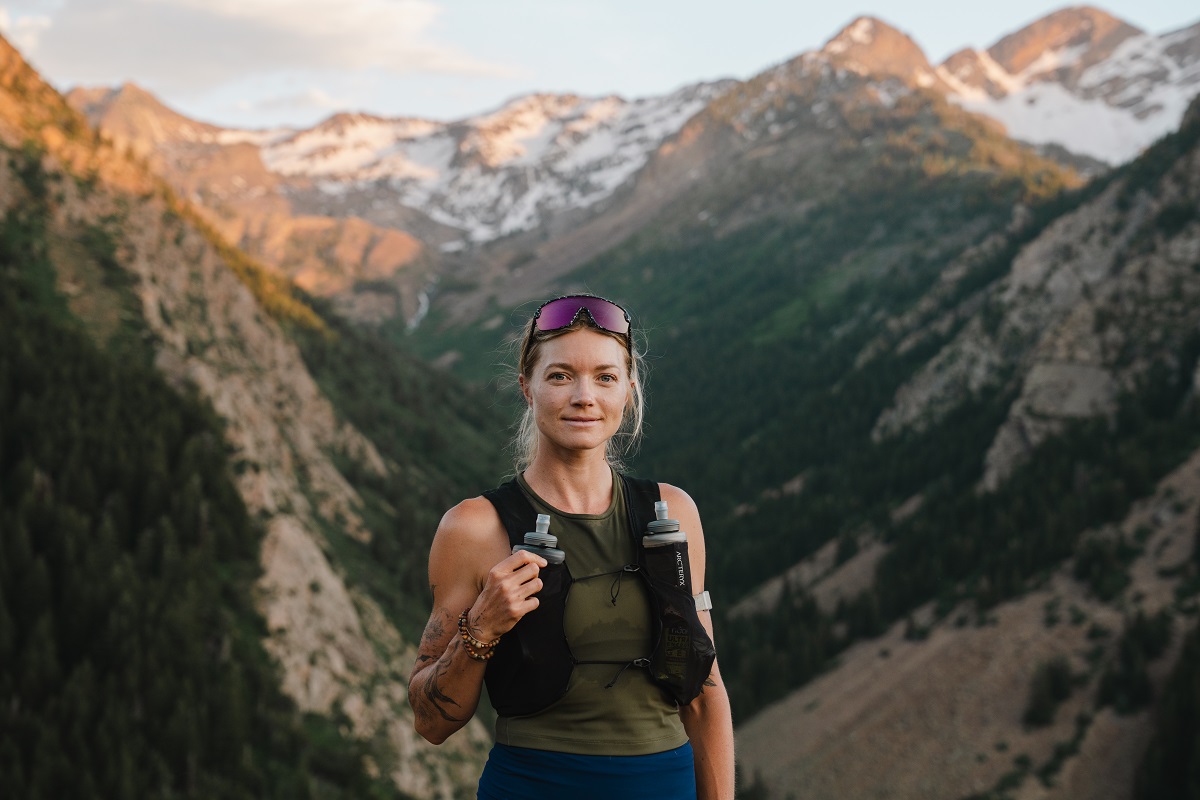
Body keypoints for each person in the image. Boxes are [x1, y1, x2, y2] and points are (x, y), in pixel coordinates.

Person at [408, 294, 735, 799]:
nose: (585, 396)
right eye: (560, 376)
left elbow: (705, 692)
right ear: (527, 388)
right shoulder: (474, 527)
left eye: (605, 377)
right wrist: (482, 627)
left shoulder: (673, 513)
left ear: (628, 391)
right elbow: (430, 722)